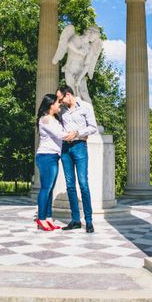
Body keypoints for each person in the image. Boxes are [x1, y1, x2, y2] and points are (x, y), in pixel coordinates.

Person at [57, 85, 98, 233]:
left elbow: (93, 127)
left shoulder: (85, 107)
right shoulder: (61, 110)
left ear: (68, 95)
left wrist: (77, 133)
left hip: (80, 146)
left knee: (83, 183)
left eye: (60, 99)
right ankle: (75, 220)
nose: (59, 102)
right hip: (65, 148)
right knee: (70, 185)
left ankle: (89, 221)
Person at [35, 94, 77, 231]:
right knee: (46, 188)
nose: (59, 104)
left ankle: (48, 218)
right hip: (46, 156)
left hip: (53, 156)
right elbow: (59, 135)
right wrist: (76, 134)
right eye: (57, 102)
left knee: (50, 189)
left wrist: (72, 133)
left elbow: (61, 132)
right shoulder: (46, 119)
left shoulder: (53, 119)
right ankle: (41, 219)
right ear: (50, 105)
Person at [52, 25, 103, 104]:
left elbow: (87, 66)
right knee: (72, 94)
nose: (95, 39)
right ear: (90, 33)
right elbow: (69, 44)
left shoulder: (89, 48)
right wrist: (79, 51)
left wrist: (79, 79)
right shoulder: (75, 37)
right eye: (95, 37)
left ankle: (90, 113)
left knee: (85, 94)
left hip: (80, 73)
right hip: (69, 70)